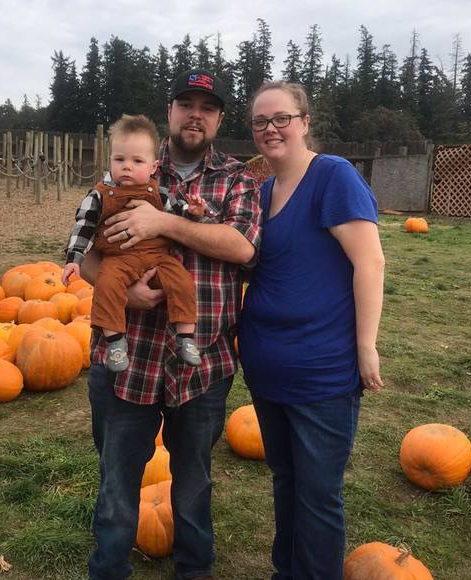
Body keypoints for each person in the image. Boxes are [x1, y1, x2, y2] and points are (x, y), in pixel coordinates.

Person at [80, 69, 261, 580]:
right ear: (170, 112)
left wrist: (162, 222)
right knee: (117, 485)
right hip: (127, 361)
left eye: (207, 107)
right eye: (186, 104)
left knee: (193, 484)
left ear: (219, 119)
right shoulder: (128, 167)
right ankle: (108, 571)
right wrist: (124, 294)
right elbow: (87, 254)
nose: (195, 115)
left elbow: (242, 246)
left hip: (202, 362)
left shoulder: (237, 179)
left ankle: (193, 571)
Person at [238, 81, 385, 580]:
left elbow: (370, 263)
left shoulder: (333, 176)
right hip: (267, 366)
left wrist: (366, 346)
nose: (270, 129)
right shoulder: (262, 192)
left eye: (281, 118)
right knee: (285, 480)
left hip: (321, 370)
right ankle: (287, 571)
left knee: (318, 494)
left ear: (304, 122)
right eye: (260, 121)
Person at [62, 114, 206, 371]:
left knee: (182, 281)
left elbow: (178, 213)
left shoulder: (159, 193)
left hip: (157, 257)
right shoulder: (99, 195)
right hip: (118, 259)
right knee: (107, 284)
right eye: (120, 160)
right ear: (110, 160)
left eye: (137, 161)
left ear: (153, 166)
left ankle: (186, 336)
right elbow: (83, 226)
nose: (127, 167)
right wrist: (74, 259)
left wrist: (192, 211)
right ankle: (115, 342)